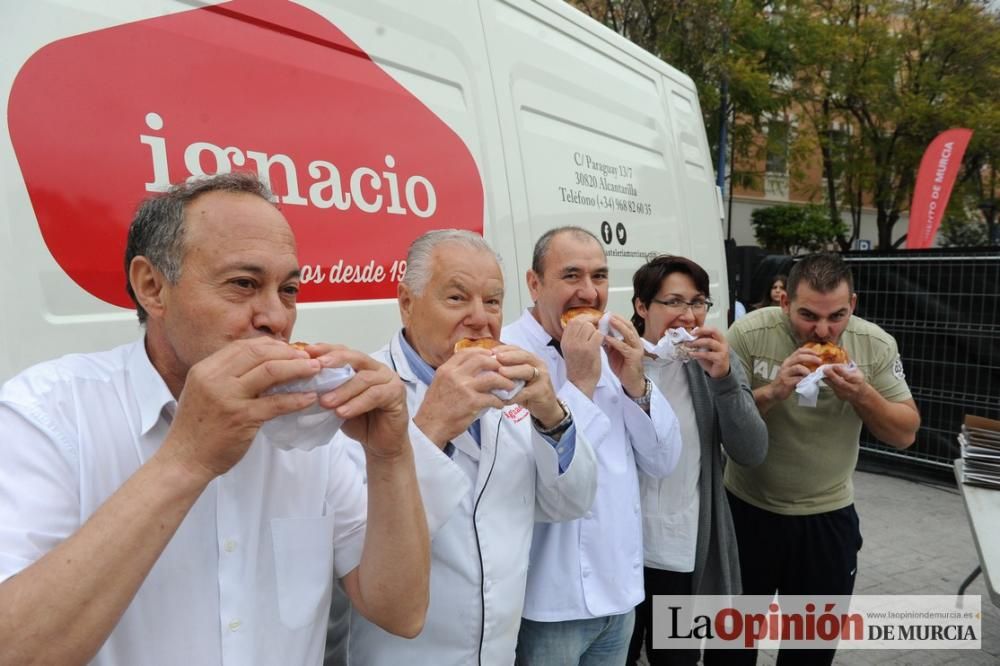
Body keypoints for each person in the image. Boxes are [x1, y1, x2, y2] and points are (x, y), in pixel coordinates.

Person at [0, 173, 440, 666]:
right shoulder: (48, 414)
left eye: (289, 289)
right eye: (244, 284)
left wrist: (390, 453)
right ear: (153, 287)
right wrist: (187, 459)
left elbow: (401, 611)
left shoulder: (309, 427)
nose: (276, 316)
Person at [347, 229, 598, 665]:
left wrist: (552, 416)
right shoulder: (362, 396)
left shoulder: (514, 386)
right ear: (407, 303)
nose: (481, 319)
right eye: (457, 298)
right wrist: (431, 426)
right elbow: (359, 552)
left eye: (494, 301)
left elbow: (570, 504)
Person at [724, 252, 920, 664]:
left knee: (809, 653)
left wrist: (863, 395)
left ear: (854, 305)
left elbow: (905, 433)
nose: (824, 330)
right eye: (808, 315)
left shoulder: (874, 344)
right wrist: (775, 390)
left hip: (827, 520)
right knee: (731, 649)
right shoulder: (748, 333)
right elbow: (719, 424)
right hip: (746, 511)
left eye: (837, 316)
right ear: (783, 303)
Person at [502, 226, 682, 665]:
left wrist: (636, 383)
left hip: (619, 591)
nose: (589, 291)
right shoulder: (507, 352)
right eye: (571, 276)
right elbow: (528, 475)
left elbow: (662, 460)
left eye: (599, 276)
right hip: (547, 599)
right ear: (534, 283)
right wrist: (579, 384)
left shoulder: (612, 346)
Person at [626, 255, 768, 666]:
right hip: (620, 551)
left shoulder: (712, 364)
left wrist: (724, 379)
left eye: (698, 302)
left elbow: (752, 450)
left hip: (683, 550)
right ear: (641, 306)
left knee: (677, 658)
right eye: (673, 302)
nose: (687, 315)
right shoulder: (615, 359)